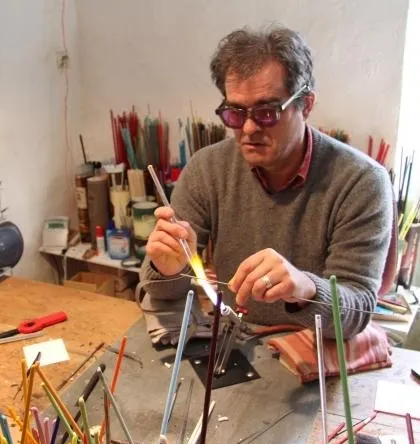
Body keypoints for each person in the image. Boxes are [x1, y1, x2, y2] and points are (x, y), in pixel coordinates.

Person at [140, 25, 393, 339]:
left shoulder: (361, 182)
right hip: (236, 339)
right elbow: (161, 291)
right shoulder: (207, 169)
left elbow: (357, 314)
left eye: (267, 112)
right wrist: (167, 269)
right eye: (235, 112)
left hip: (313, 347)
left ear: (306, 104)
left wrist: (306, 289)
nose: (248, 128)